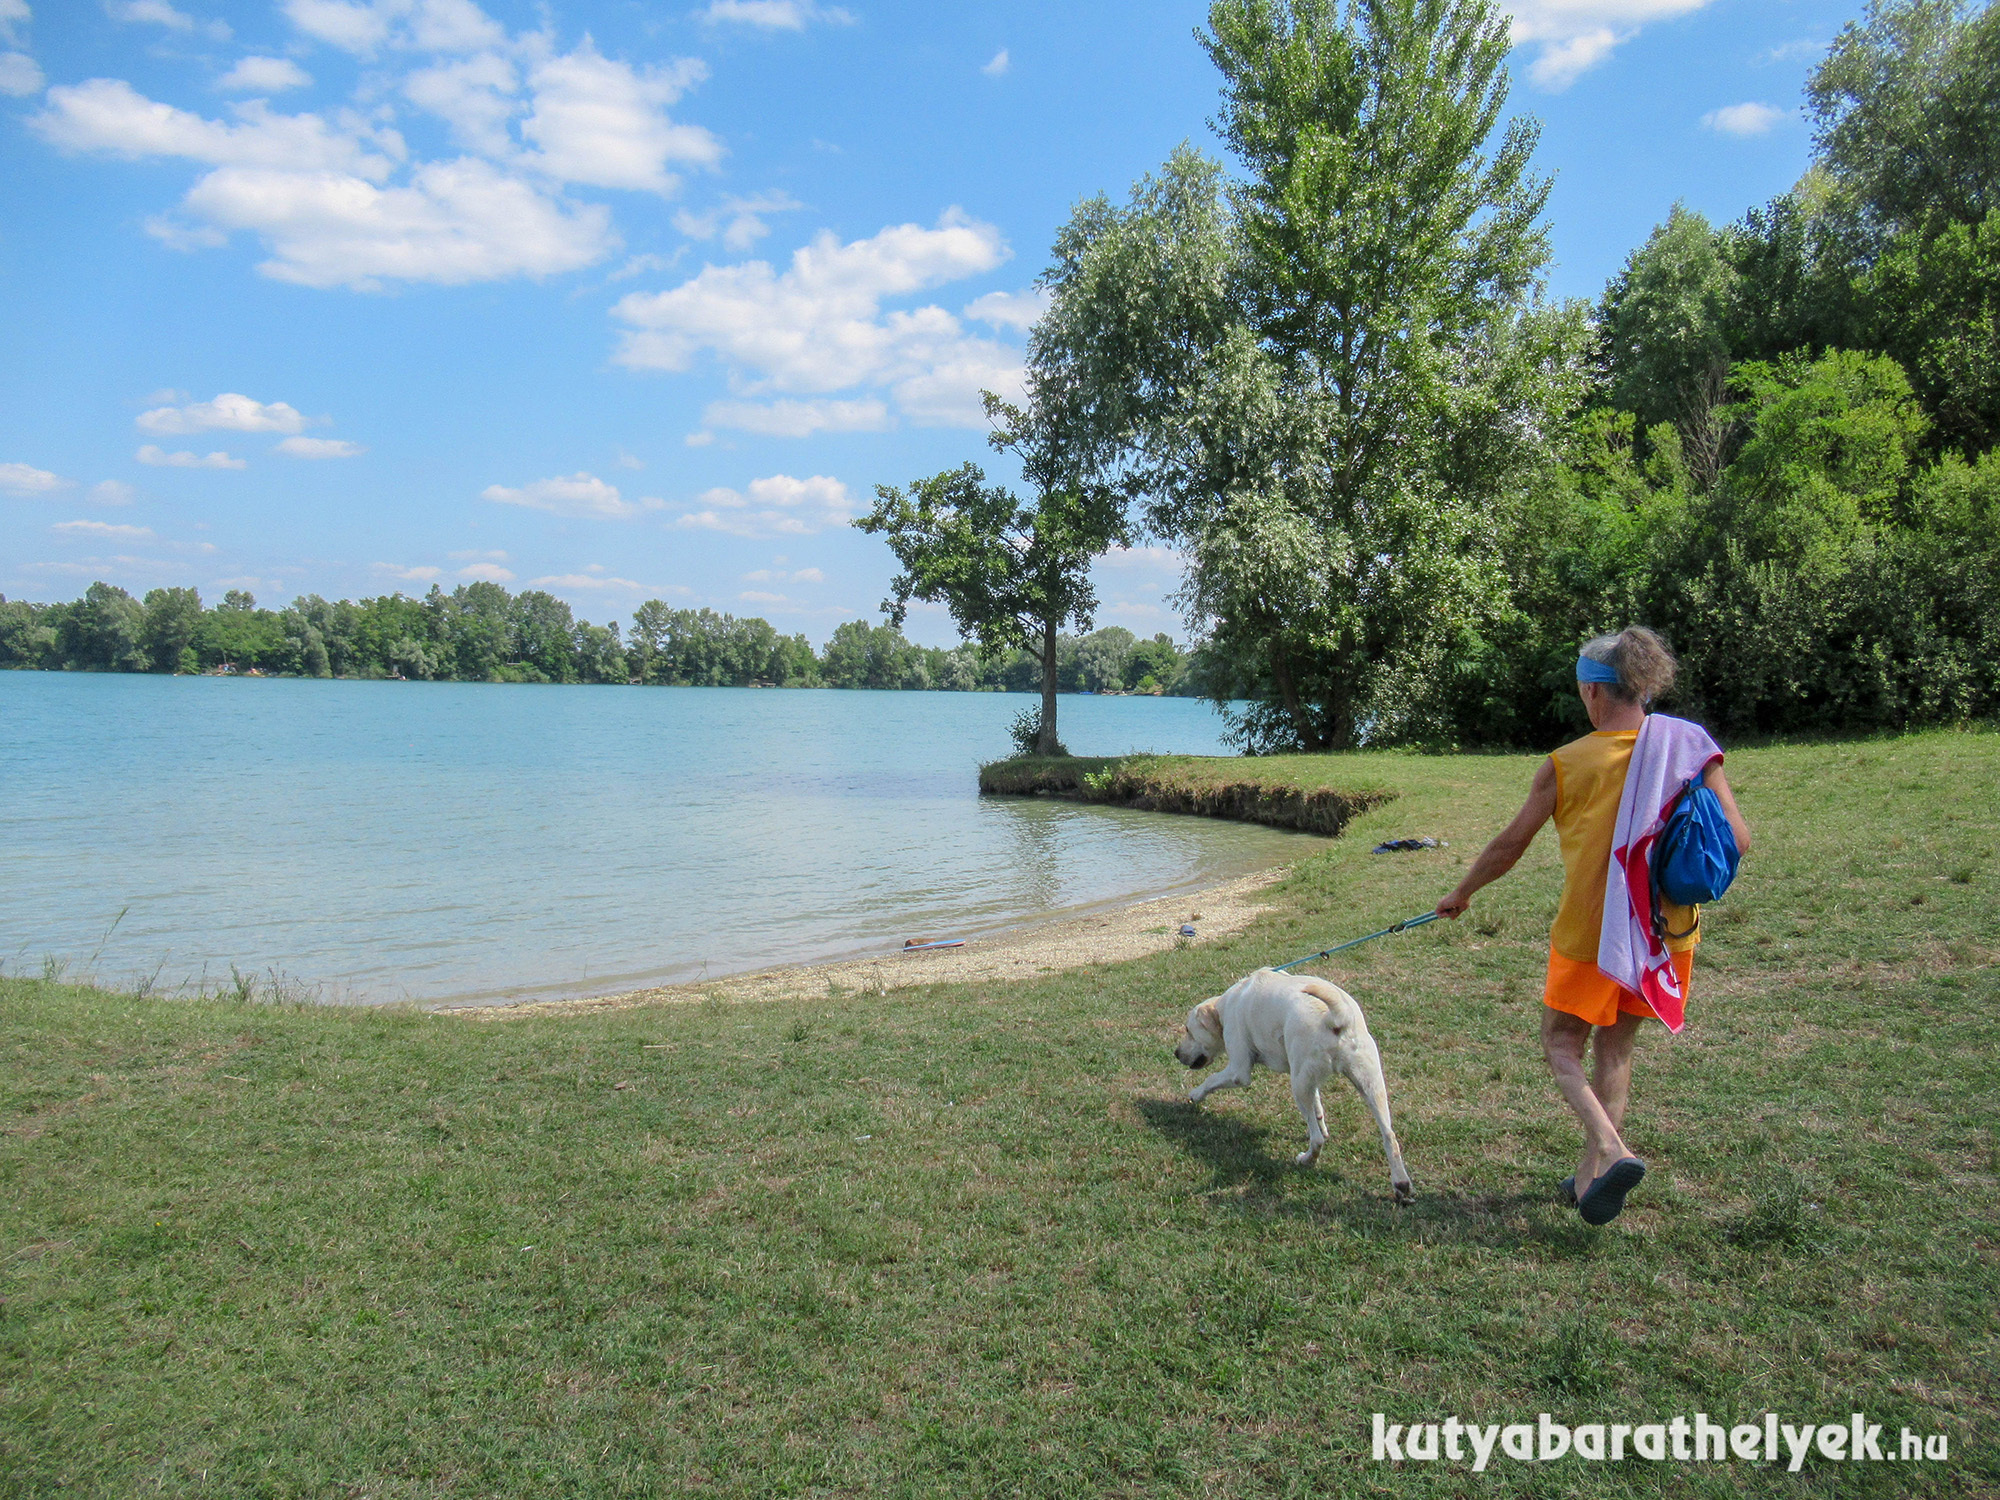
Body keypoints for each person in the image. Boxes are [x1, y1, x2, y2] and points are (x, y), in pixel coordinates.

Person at [1433, 627, 1750, 1225]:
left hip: (1592, 936)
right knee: (1617, 1045)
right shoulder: (1690, 747)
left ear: (1593, 691)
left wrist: (1463, 891)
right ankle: (1589, 1180)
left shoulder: (1567, 764)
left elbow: (1511, 845)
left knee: (1559, 1043)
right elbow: (1737, 838)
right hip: (1665, 934)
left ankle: (1609, 1150)